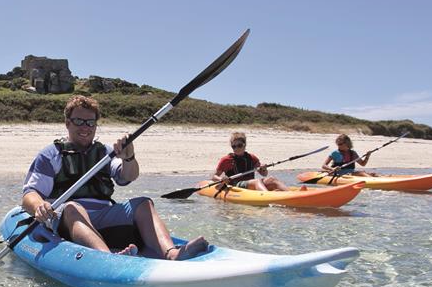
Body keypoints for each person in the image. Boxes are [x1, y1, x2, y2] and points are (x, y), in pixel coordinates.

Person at [22, 95, 208, 260]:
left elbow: (128, 176)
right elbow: (30, 194)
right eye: (79, 121)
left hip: (103, 215)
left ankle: (171, 253)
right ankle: (108, 258)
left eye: (90, 122)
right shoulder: (50, 155)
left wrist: (129, 157)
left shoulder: (106, 153)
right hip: (66, 217)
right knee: (73, 207)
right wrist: (39, 206)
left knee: (143, 203)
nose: (85, 127)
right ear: (67, 123)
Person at [212, 132, 289, 191]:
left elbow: (264, 174)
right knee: (256, 181)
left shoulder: (252, 158)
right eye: (234, 146)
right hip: (236, 185)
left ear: (245, 145)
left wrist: (264, 168)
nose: (236, 148)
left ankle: (290, 194)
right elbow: (214, 177)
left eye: (239, 145)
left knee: (272, 179)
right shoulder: (226, 160)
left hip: (251, 183)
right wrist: (221, 179)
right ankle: (268, 197)